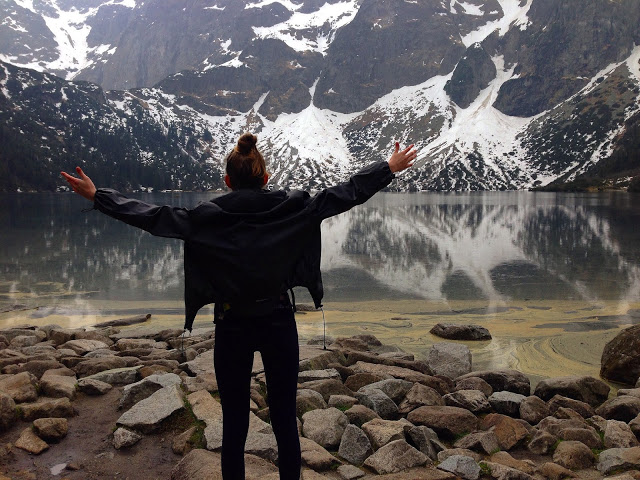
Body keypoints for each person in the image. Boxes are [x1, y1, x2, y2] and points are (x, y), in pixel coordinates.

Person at [61, 134, 416, 480]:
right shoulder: (294, 208)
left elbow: (152, 216)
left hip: (232, 325)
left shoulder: (205, 218)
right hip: (278, 321)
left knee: (234, 424)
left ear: (228, 180)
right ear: (266, 177)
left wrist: (99, 196)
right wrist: (388, 167)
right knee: (283, 421)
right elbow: (344, 194)